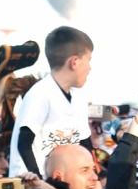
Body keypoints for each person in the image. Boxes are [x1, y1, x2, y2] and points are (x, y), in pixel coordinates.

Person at [10, 25, 95, 177]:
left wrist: (94, 173)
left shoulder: (78, 97)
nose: (90, 68)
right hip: (31, 186)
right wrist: (38, 180)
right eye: (88, 60)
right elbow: (24, 144)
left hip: (63, 185)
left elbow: (84, 142)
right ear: (74, 62)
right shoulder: (40, 94)